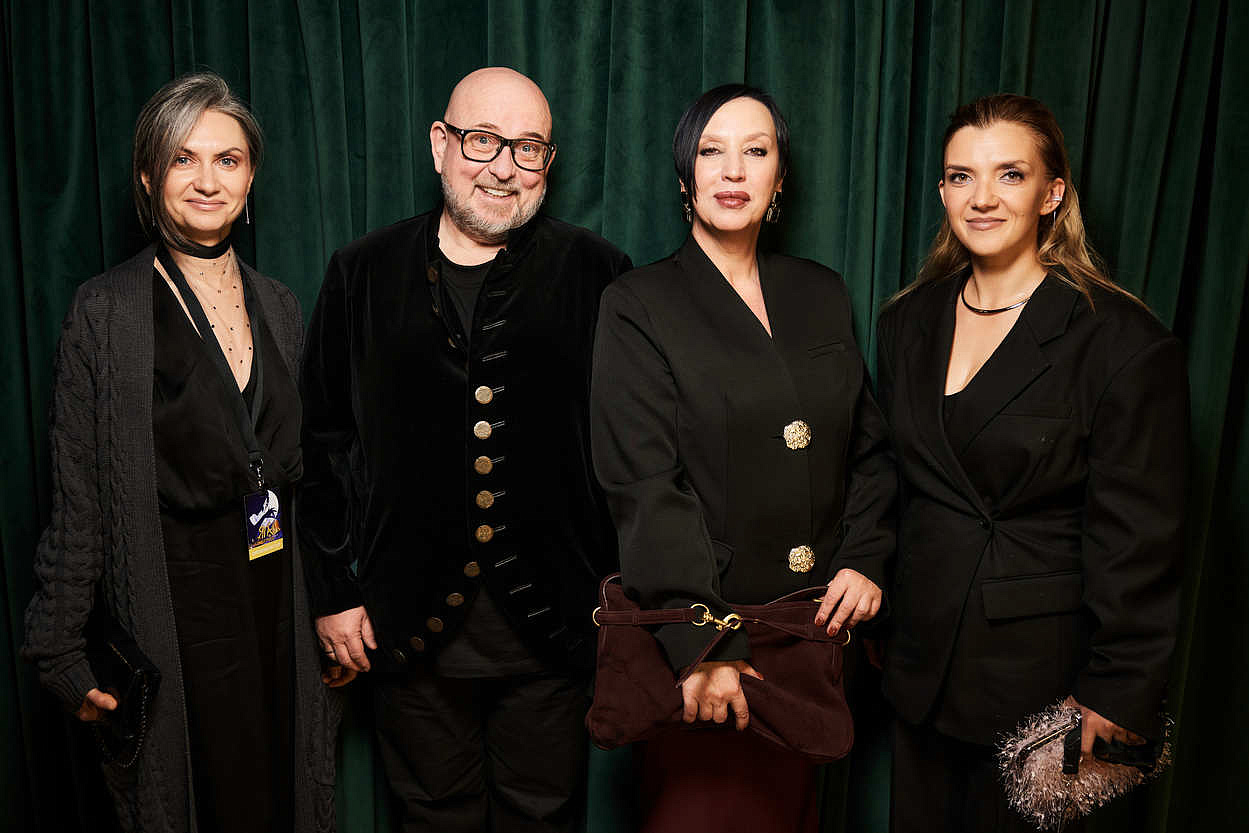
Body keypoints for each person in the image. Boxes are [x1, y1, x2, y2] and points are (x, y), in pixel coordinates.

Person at [298, 66, 632, 833]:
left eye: (527, 148)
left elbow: (631, 447)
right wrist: (334, 591)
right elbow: (321, 443)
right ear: (440, 144)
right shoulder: (361, 272)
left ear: (547, 162)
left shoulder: (598, 273)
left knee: (544, 818)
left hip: (554, 623)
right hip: (406, 622)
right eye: (483, 141)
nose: (503, 167)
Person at [22, 72, 340, 833]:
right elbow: (79, 497)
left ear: (251, 177)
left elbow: (313, 480)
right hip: (176, 612)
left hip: (278, 610)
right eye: (182, 159)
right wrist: (58, 648)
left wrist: (333, 602)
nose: (207, 180)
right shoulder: (104, 312)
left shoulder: (280, 305)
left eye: (227, 160)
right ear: (147, 175)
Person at [877, 94, 1188, 832]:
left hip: (1047, 690)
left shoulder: (1120, 341)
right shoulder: (906, 321)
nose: (982, 198)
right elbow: (893, 485)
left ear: (1052, 194)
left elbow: (1141, 542)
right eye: (961, 176)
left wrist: (1117, 695)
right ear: (943, 191)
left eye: (1009, 174)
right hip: (921, 670)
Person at [590, 84, 895, 833]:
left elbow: (870, 448)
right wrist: (706, 644)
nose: (733, 170)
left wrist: (865, 557)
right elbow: (644, 488)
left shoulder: (820, 291)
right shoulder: (638, 303)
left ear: (779, 177)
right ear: (684, 176)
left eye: (755, 151)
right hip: (712, 648)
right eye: (711, 151)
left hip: (813, 647)